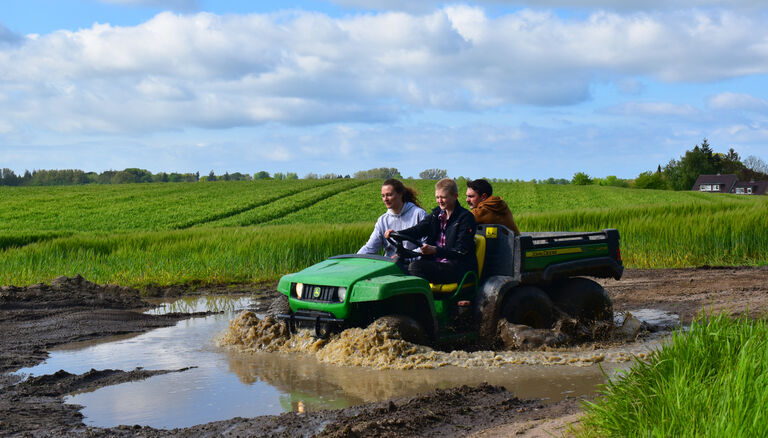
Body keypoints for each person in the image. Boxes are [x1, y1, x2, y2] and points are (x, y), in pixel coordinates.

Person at [386, 178, 477, 284]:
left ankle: (422, 299)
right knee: (398, 265)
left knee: (415, 267)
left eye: (443, 197)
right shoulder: (436, 214)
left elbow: (460, 251)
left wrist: (435, 250)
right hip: (435, 263)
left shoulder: (465, 218)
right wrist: (398, 233)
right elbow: (418, 229)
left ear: (455, 196)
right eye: (437, 197)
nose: (439, 201)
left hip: (456, 266)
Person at [358, 178, 427, 258]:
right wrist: (353, 259)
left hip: (413, 265)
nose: (385, 199)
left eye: (389, 195)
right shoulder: (382, 221)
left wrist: (404, 255)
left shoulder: (419, 214)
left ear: (400, 194)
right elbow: (370, 248)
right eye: (383, 196)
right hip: (391, 264)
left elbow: (426, 245)